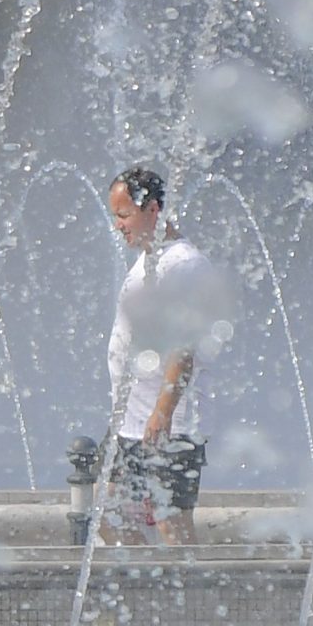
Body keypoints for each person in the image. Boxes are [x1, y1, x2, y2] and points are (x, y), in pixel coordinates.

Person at [103, 164, 231, 545]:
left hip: (170, 425)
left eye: (124, 215)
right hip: (132, 422)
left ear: (153, 209)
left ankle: (188, 585)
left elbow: (184, 345)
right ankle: (145, 581)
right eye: (115, 216)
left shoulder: (184, 264)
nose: (118, 226)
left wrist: (163, 412)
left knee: (170, 523)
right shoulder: (148, 259)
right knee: (111, 519)